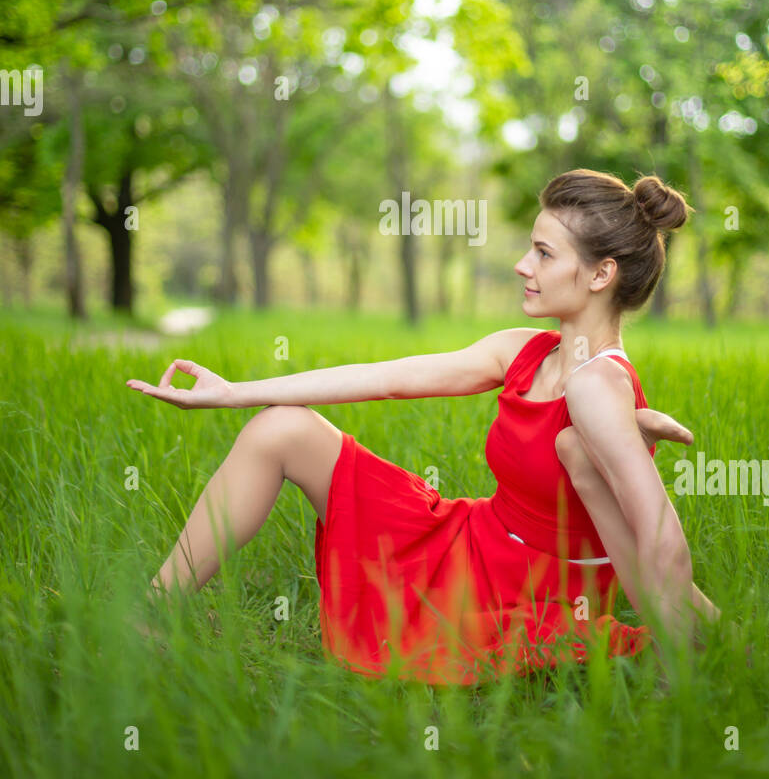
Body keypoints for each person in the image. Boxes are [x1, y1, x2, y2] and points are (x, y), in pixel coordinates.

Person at [127, 168, 721, 684]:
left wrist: (679, 664)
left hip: (528, 592)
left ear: (600, 275)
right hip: (474, 540)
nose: (522, 265)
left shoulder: (597, 384)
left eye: (544, 253)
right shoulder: (527, 351)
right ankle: (152, 612)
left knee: (285, 438)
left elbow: (658, 537)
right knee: (280, 429)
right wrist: (232, 394)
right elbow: (390, 375)